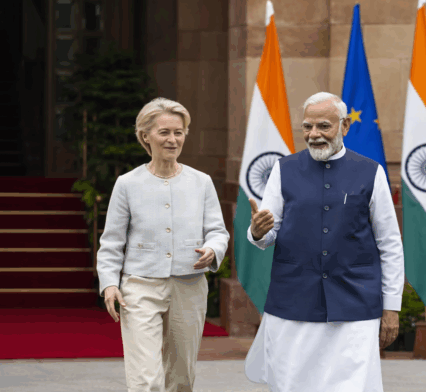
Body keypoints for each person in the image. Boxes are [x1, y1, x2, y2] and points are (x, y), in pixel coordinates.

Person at [244, 92, 404, 392]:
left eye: (323, 126)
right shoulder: (284, 169)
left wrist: (391, 307)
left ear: (345, 126)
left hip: (355, 302)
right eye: (307, 127)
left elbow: (390, 244)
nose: (314, 134)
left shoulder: (371, 172)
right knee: (292, 384)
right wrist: (257, 232)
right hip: (294, 301)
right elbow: (267, 233)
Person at [96, 97, 230, 392]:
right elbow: (112, 240)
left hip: (189, 286)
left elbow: (218, 231)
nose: (173, 139)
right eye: (164, 132)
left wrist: (213, 249)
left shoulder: (201, 182)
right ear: (146, 136)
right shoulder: (127, 183)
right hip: (140, 287)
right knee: (145, 379)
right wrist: (110, 283)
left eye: (178, 132)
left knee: (181, 379)